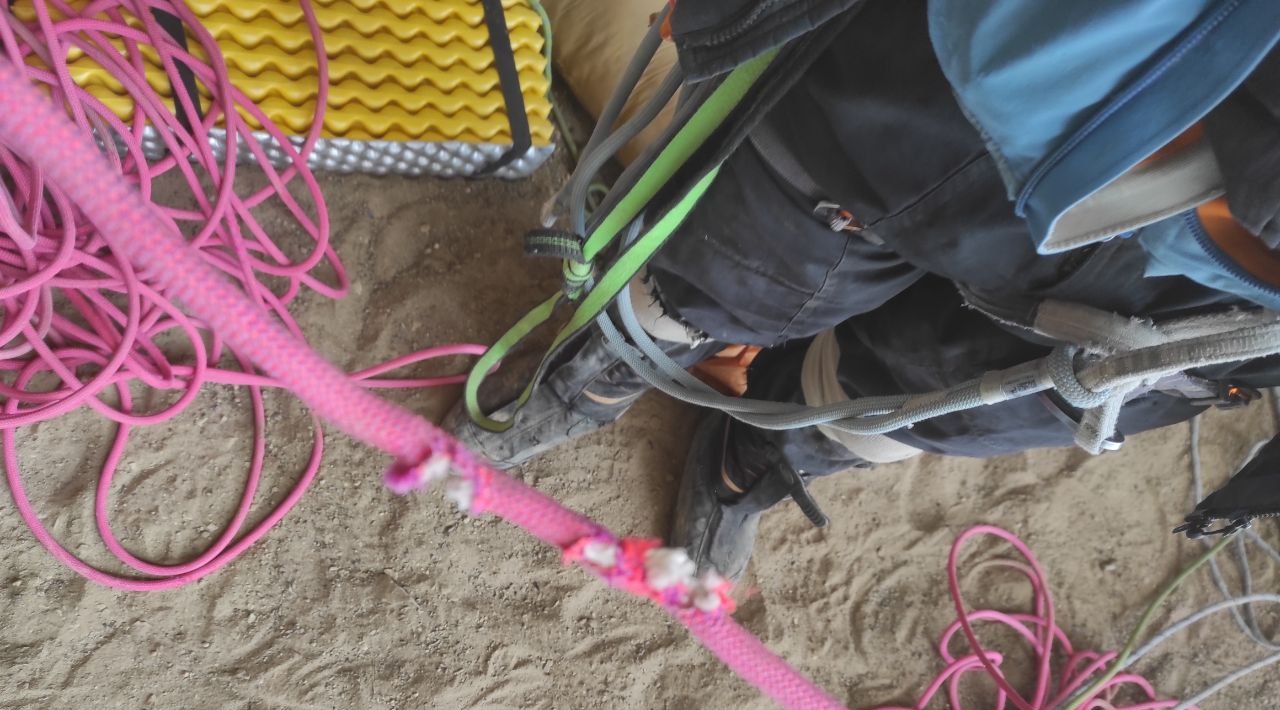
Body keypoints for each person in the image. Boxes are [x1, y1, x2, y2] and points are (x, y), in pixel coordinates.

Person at [450, 0, 1280, 581]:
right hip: (1012, 54)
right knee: (752, 254)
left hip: (1218, 299)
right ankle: (611, 362)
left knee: (949, 395)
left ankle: (768, 448)